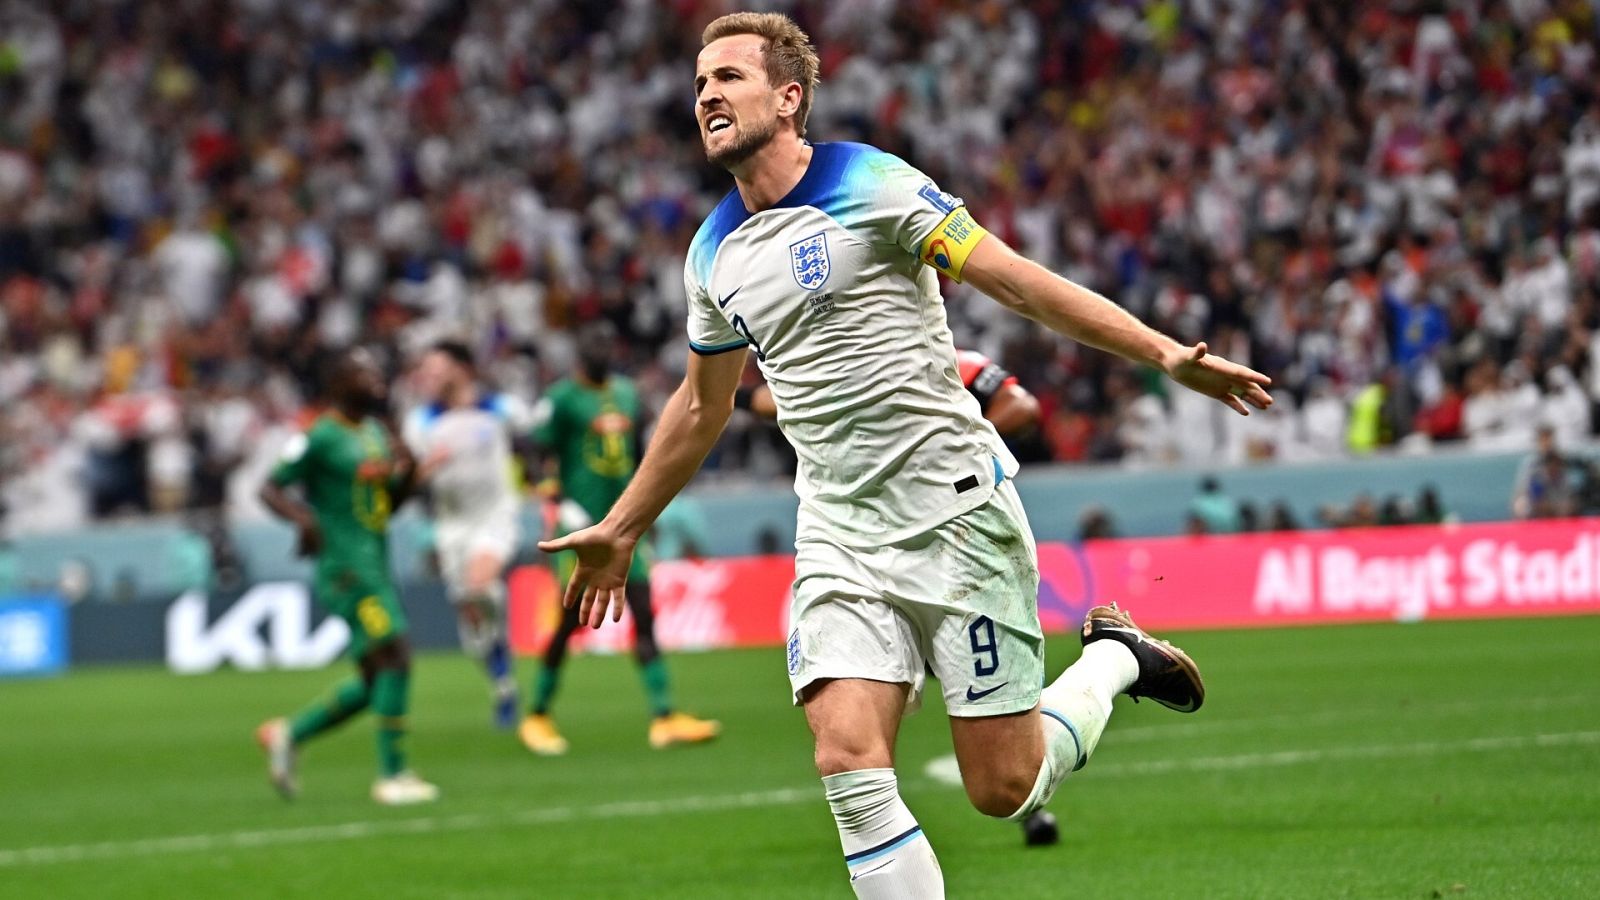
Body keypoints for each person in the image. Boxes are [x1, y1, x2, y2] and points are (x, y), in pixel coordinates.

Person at [539, 13, 1272, 898]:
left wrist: (1159, 352)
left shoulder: (872, 183)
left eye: (728, 77)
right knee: (847, 760)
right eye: (699, 84)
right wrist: (622, 527)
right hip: (840, 533)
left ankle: (1115, 659)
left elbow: (1009, 276)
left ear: (788, 96)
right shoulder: (711, 253)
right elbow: (703, 403)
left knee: (1003, 789)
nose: (706, 95)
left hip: (956, 513)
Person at [742, 346, 1056, 846]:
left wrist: (955, 446)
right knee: (853, 738)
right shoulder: (823, 358)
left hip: (955, 533)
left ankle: (1031, 803)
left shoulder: (949, 358)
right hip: (861, 541)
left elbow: (1023, 406)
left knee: (999, 769)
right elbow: (764, 399)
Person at [518, 322, 721, 755]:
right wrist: (550, 492)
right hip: (581, 526)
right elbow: (532, 448)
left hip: (624, 525)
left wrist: (645, 512)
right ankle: (536, 713)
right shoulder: (561, 399)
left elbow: (640, 453)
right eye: (593, 342)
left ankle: (664, 717)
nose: (602, 349)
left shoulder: (628, 395)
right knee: (569, 620)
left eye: (608, 343)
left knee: (646, 611)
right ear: (578, 353)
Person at [255, 348, 438, 806]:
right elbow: (268, 487)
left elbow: (386, 507)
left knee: (377, 677)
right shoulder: (319, 436)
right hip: (346, 568)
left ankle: (289, 734)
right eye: (363, 372)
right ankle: (393, 776)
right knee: (396, 653)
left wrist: (410, 471)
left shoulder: (376, 432)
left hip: (374, 559)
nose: (376, 378)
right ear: (338, 383)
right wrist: (304, 521)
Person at [403, 340, 528, 729]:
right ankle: (502, 680)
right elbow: (409, 477)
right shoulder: (421, 422)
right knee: (471, 622)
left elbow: (535, 438)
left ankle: (496, 615)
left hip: (495, 515)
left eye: (437, 368)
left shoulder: (501, 409)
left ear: (461, 369)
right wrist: (424, 468)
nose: (429, 377)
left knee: (479, 584)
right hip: (452, 525)